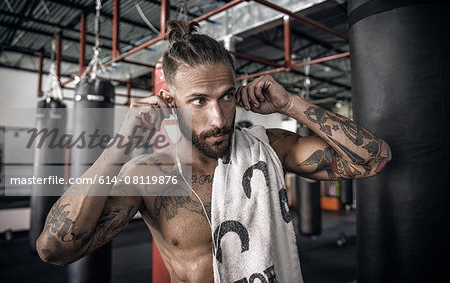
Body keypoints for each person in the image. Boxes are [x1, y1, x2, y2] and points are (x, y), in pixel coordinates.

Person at [36, 19, 391, 282]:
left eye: (227, 96)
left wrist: (292, 105)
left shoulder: (270, 148)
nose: (218, 117)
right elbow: (55, 249)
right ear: (169, 102)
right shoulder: (149, 176)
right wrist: (122, 143)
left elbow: (375, 158)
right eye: (198, 101)